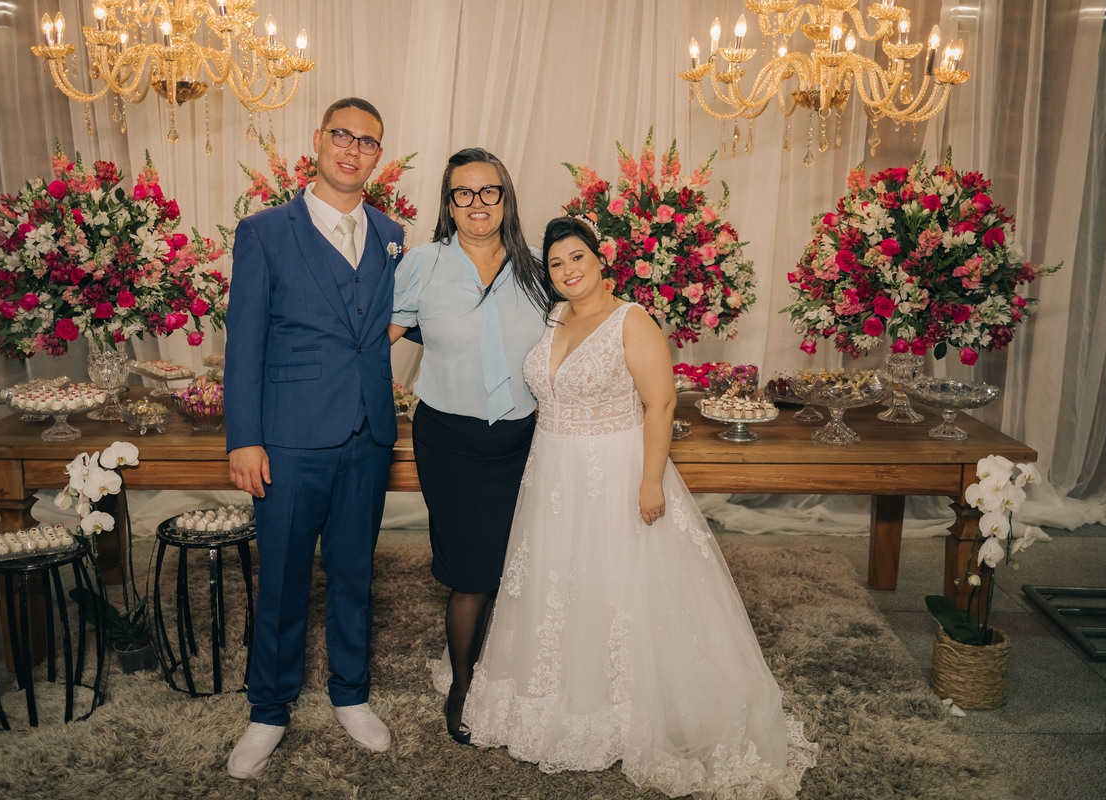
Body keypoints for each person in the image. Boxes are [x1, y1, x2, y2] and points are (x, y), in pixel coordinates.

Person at [461, 216, 818, 798]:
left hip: (614, 471)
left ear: (599, 259)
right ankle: (559, 700)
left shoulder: (632, 319)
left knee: (617, 583)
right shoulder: (553, 317)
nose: (568, 270)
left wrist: (651, 483)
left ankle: (626, 709)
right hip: (552, 473)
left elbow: (662, 404)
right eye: (557, 263)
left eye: (577, 257)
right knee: (558, 583)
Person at [223, 97, 405, 779]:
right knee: (283, 579)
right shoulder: (264, 232)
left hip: (367, 434)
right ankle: (269, 709)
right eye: (342, 136)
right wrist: (245, 439)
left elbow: (395, 318)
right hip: (289, 439)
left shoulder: (391, 233)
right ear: (318, 140)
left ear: (378, 156)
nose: (353, 150)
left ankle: (351, 694)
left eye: (367, 142)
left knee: (355, 574)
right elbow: (243, 345)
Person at [388, 148, 550, 745]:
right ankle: (463, 683)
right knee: (471, 571)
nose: (477, 203)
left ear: (506, 198)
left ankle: (512, 667)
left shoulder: (538, 268)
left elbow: (577, 336)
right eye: (464, 192)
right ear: (449, 203)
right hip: (450, 441)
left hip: (526, 438)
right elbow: (376, 339)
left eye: (489, 191)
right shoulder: (422, 264)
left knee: (521, 562)